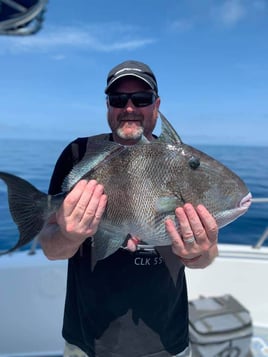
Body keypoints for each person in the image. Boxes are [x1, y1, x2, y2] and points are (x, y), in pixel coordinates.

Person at [39, 60, 219, 357]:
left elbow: (208, 254)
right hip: (88, 341)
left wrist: (198, 252)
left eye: (142, 99)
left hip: (166, 340)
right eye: (118, 99)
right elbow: (50, 248)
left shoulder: (178, 163)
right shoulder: (78, 154)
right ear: (108, 105)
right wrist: (70, 236)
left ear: (156, 105)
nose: (130, 107)